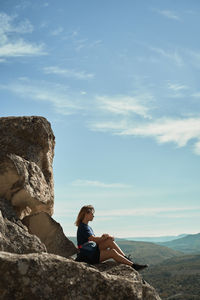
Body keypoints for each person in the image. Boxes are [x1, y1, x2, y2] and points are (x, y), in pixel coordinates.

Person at [75, 205, 148, 271]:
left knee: (109, 241)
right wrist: (104, 237)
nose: (93, 216)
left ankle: (127, 259)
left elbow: (94, 241)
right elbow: (93, 239)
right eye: (92, 214)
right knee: (112, 252)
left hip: (91, 251)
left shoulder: (87, 227)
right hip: (87, 257)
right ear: (86, 214)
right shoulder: (83, 227)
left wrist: (107, 238)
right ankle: (133, 266)